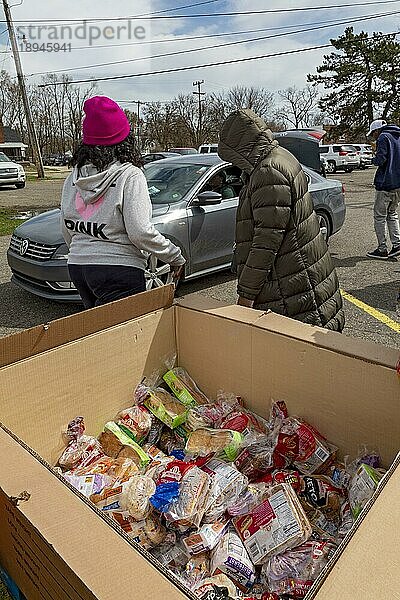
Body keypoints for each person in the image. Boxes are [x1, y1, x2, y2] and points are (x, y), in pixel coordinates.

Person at [218, 108, 344, 332]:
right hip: (299, 277)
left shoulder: (268, 172)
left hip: (294, 287)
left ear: (242, 147)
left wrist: (246, 296)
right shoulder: (279, 157)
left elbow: (266, 242)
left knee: (300, 356)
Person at [61, 96, 185, 309]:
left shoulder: (73, 179)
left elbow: (65, 227)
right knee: (125, 337)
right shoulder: (130, 175)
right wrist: (175, 256)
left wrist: (84, 251)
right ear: (125, 140)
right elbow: (140, 232)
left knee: (100, 332)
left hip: (78, 267)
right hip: (118, 269)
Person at [366, 119, 400, 259]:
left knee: (379, 216)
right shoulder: (398, 136)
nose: (373, 137)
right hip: (398, 184)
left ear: (376, 130)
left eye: (372, 134)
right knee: (392, 213)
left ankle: (382, 249)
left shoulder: (383, 137)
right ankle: (397, 244)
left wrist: (372, 159)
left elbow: (381, 160)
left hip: (386, 183)